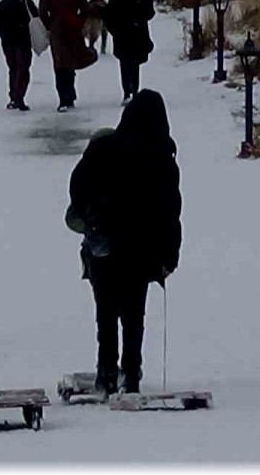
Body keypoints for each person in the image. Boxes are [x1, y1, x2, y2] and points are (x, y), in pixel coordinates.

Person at [68, 90, 181, 395]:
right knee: (134, 311)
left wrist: (90, 216)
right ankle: (130, 371)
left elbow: (77, 186)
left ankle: (106, 370)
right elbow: (171, 210)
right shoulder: (162, 157)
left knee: (105, 308)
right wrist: (170, 255)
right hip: (141, 246)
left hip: (103, 241)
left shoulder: (103, 148)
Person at [39, 0, 92, 112]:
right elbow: (86, 9)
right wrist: (78, 21)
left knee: (60, 65)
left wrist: (51, 26)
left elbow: (42, 14)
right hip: (74, 30)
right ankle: (70, 95)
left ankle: (64, 98)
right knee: (71, 63)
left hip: (57, 33)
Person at [105, 0, 156, 105]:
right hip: (138, 35)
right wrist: (139, 20)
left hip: (122, 35)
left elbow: (108, 15)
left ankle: (128, 91)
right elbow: (150, 13)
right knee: (135, 65)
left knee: (125, 63)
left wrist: (114, 30)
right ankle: (134, 91)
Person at [0, 0, 38, 111]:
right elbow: (36, 17)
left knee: (13, 69)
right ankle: (19, 98)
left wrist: (4, 35)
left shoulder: (2, 4)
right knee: (23, 70)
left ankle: (13, 97)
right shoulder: (25, 1)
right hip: (23, 42)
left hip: (7, 43)